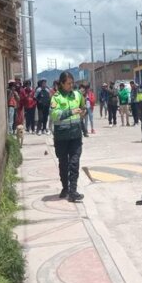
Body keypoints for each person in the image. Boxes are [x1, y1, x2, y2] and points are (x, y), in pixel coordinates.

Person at [50, 71, 85, 202]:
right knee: (63, 164)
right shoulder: (56, 98)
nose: (71, 85)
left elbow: (83, 108)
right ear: (62, 84)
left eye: (72, 83)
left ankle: (73, 191)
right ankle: (65, 187)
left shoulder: (77, 95)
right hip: (62, 137)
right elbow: (54, 115)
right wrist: (70, 112)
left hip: (75, 135)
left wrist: (83, 113)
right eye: (69, 83)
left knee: (74, 163)